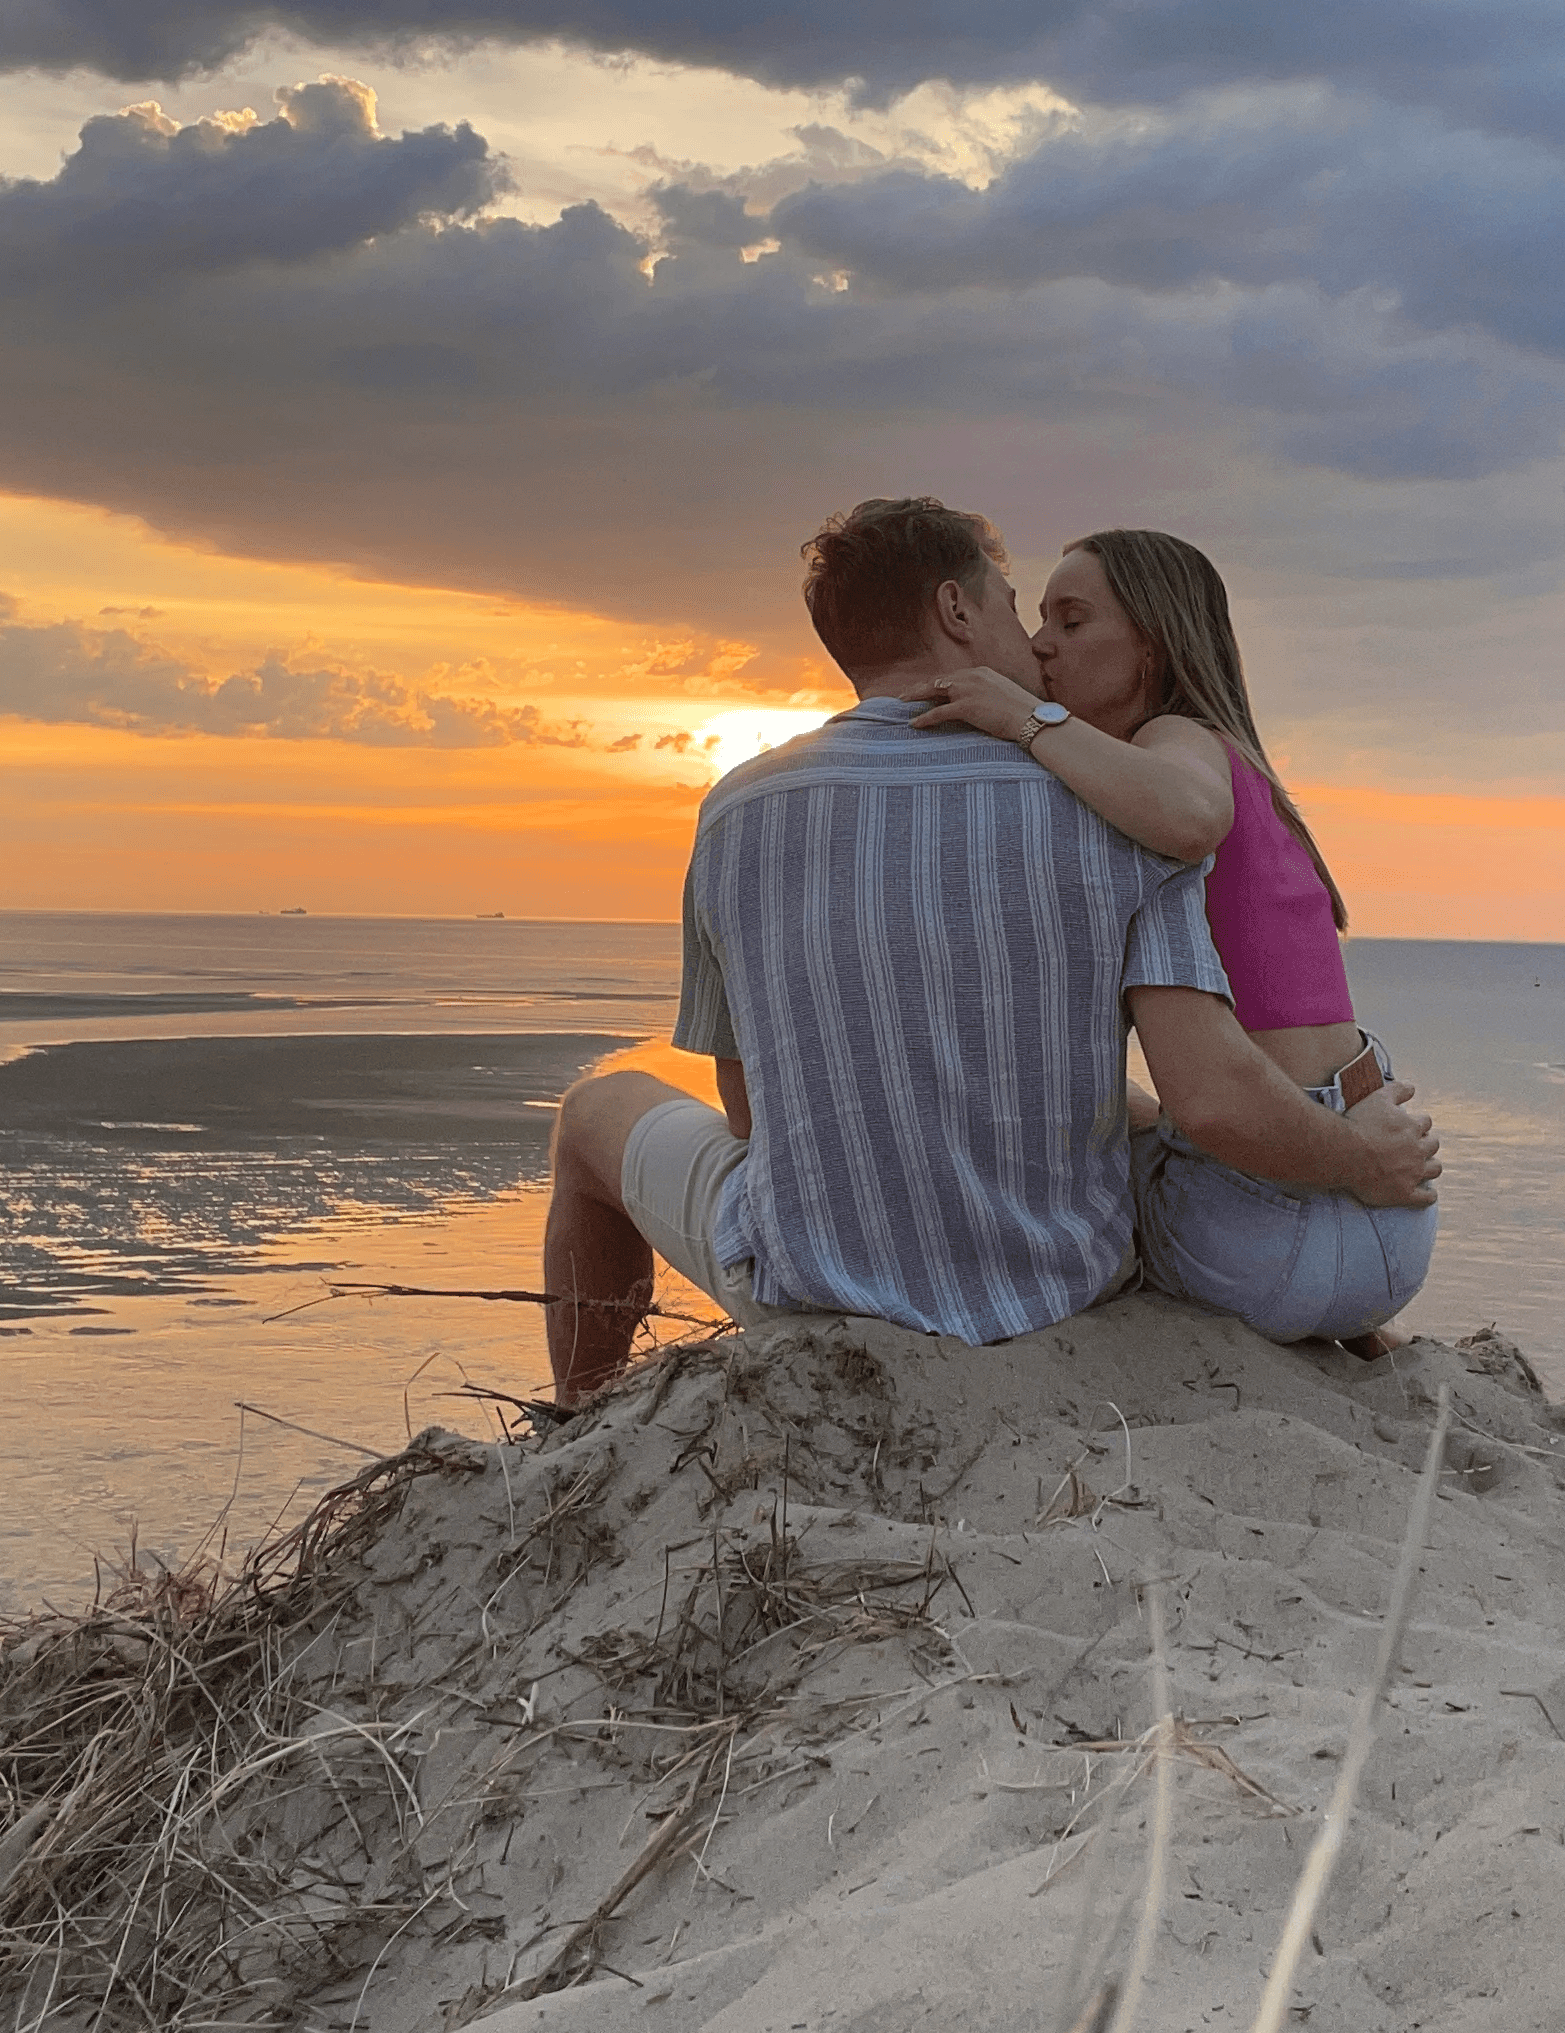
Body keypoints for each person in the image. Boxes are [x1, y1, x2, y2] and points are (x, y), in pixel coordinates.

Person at [539, 496, 1440, 1407]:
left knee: (593, 1113)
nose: (1036, 637)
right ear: (955, 610)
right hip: (1063, 1284)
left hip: (816, 1284)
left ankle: (578, 1417)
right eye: (1015, 604)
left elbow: (745, 1113)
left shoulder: (735, 809)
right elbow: (1204, 1083)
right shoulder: (1115, 805)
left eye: (1062, 617)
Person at [911, 526, 1438, 1346]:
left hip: (1267, 1228)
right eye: (1042, 617)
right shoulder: (1243, 766)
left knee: (1014, 1150)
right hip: (1388, 1239)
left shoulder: (1177, 742)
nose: (1044, 643)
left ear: (1151, 646)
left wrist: (1024, 716)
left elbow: (1190, 816)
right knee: (1130, 1110)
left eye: (1073, 620)